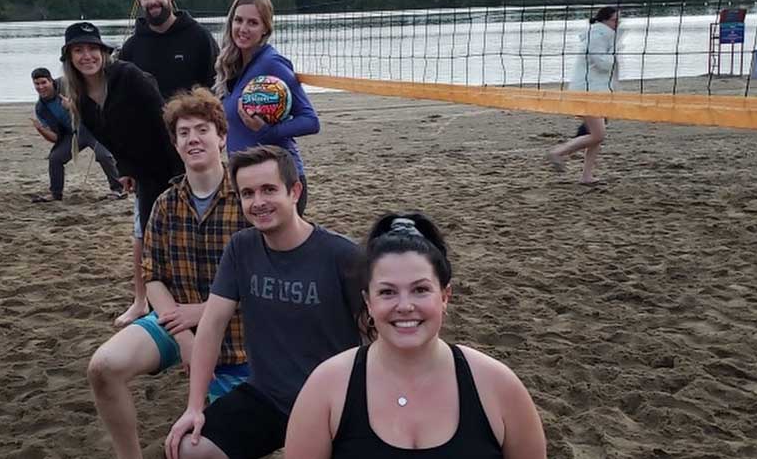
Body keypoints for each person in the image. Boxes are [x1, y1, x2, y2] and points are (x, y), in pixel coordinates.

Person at [284, 212, 547, 459]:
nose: (405, 305)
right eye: (387, 292)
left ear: (445, 296)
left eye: (420, 289)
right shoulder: (326, 388)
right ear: (368, 302)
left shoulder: (498, 386)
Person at [165, 145, 361, 459]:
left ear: (295, 191)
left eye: (269, 190)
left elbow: (380, 331)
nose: (258, 203)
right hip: (269, 397)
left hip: (334, 404)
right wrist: (195, 406)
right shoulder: (241, 248)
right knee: (189, 447)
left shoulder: (343, 255)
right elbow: (212, 325)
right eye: (247, 193)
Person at [87, 87, 249, 459]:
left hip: (240, 335)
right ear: (176, 145)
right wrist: (183, 334)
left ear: (222, 138)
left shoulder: (248, 198)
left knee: (205, 444)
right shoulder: (165, 203)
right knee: (103, 367)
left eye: (202, 129)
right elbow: (153, 274)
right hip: (177, 322)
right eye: (183, 133)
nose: (193, 138)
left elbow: (264, 281)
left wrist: (203, 315)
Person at [114, 0, 222, 328]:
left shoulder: (199, 38)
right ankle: (141, 299)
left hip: (193, 145)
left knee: (203, 217)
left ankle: (202, 296)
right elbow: (122, 111)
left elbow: (217, 90)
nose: (152, 2)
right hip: (149, 155)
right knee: (144, 229)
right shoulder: (131, 47)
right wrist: (125, 164)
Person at [59, 21, 183, 245]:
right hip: (144, 173)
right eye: (78, 50)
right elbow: (110, 141)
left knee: (180, 228)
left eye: (92, 49)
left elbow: (165, 124)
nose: (87, 56)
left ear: (103, 52)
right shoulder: (81, 99)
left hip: (173, 161)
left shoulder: (128, 75)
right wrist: (125, 169)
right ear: (69, 58)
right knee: (151, 235)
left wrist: (179, 176)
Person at [213, 0, 320, 216]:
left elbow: (310, 121)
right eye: (238, 20)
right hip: (246, 183)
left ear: (265, 30)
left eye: (253, 22)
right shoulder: (233, 66)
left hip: (279, 182)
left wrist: (266, 131)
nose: (243, 28)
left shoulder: (272, 63)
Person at [548, 6, 621, 185]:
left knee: (594, 135)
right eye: (615, 20)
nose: (618, 24)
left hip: (599, 92)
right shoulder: (597, 36)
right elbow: (602, 63)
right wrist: (616, 53)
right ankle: (558, 152)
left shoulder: (605, 36)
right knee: (598, 135)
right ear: (604, 20)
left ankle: (586, 176)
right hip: (588, 93)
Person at [29, 67, 124, 202]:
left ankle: (117, 189)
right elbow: (55, 138)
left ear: (51, 81)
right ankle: (56, 194)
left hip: (92, 127)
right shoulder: (41, 108)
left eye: (44, 82)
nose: (41, 87)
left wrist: (73, 106)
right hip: (72, 134)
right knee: (55, 158)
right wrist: (41, 130)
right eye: (37, 84)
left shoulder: (67, 84)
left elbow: (97, 98)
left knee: (104, 155)